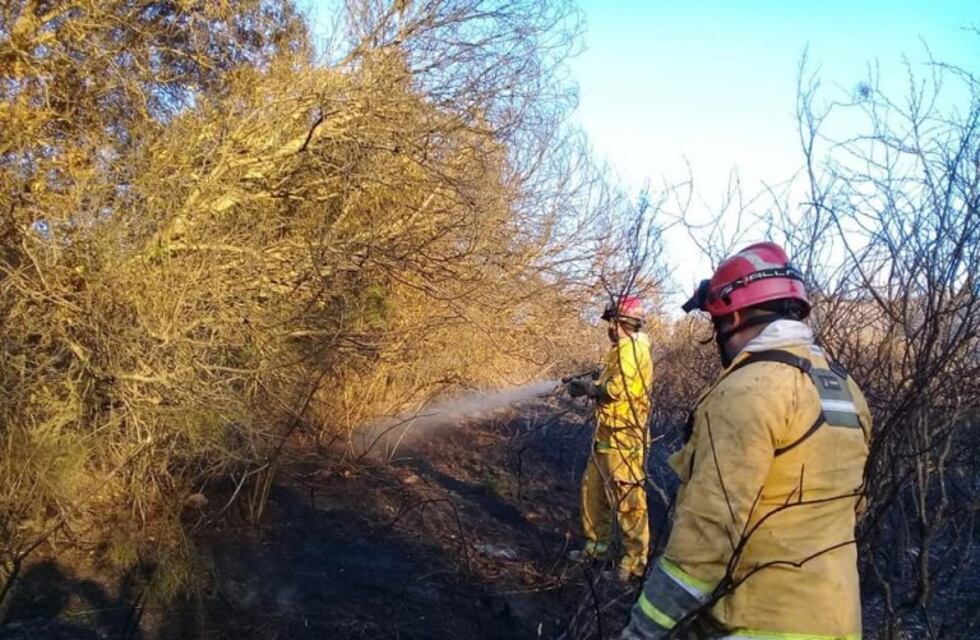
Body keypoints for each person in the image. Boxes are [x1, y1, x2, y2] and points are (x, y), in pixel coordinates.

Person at [621, 242, 872, 639]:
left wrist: (643, 628)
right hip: (836, 622)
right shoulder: (844, 388)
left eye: (717, 323)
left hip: (758, 624)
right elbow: (854, 505)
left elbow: (707, 533)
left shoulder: (748, 389)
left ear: (733, 315)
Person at [568, 295, 654, 582]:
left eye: (611, 322)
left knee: (628, 500)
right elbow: (611, 379)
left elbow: (619, 389)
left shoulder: (632, 350)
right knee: (592, 493)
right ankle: (596, 551)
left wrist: (591, 388)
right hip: (606, 433)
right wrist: (590, 381)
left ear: (622, 322)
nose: (608, 328)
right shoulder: (619, 351)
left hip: (624, 436)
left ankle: (633, 565)